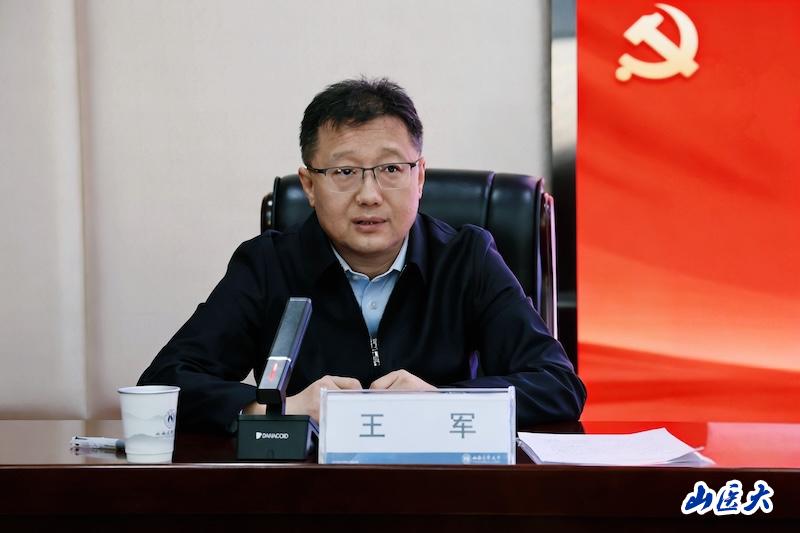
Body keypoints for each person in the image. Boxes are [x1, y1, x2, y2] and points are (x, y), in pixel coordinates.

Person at [139, 78, 586, 433]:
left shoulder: (467, 258)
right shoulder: (268, 265)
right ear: (309, 185)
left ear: (419, 177)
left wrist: (442, 402)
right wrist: (276, 409)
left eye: (391, 169)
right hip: (305, 494)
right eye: (344, 171)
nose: (369, 195)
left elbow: (558, 385)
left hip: (439, 492)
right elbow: (164, 384)